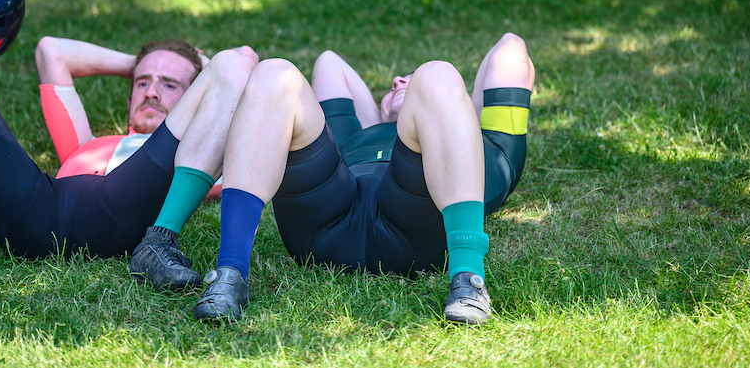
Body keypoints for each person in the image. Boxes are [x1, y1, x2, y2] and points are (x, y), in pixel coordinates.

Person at [0, 36, 258, 279]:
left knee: (237, 61)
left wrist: (204, 66)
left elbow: (237, 74)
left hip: (127, 208)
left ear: (196, 97)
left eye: (168, 85)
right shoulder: (86, 144)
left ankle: (160, 243)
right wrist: (142, 60)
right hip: (33, 210)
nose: (150, 90)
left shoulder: (200, 154)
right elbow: (50, 51)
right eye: (142, 82)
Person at [190, 32, 534, 325]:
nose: (399, 81)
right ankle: (229, 276)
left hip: (418, 225)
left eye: (407, 79)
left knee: (439, 74)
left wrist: (444, 95)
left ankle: (468, 280)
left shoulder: (488, 148)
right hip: (326, 219)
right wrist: (377, 116)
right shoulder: (355, 136)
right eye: (395, 83)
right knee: (274, 72)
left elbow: (510, 46)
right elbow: (328, 62)